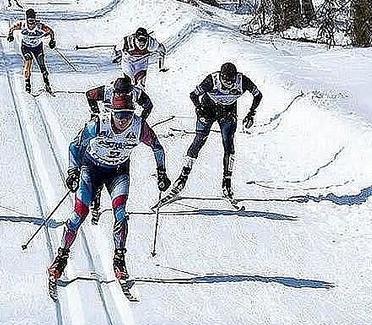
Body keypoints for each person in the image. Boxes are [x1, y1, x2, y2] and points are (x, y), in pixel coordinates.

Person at [47, 95, 169, 287]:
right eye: (119, 115)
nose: (123, 120)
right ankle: (61, 257)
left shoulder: (139, 127)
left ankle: (119, 259)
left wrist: (161, 172)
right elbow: (75, 146)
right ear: (112, 112)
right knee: (79, 213)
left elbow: (157, 147)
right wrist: (72, 171)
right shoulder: (99, 124)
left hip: (118, 172)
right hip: (91, 169)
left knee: (120, 214)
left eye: (128, 115)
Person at [157, 62, 262, 206]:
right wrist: (199, 109)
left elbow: (258, 95)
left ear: (235, 77)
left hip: (228, 112)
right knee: (199, 140)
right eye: (225, 80)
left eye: (231, 80)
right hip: (208, 109)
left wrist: (251, 113)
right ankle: (182, 179)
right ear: (221, 76)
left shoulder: (242, 81)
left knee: (228, 144)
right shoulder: (212, 80)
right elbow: (193, 95)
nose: (228, 84)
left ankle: (227, 183)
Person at [84, 76, 154, 222]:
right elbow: (89, 95)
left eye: (125, 93)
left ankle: (116, 205)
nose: (122, 95)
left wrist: (140, 122)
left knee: (117, 164)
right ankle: (95, 201)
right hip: (105, 127)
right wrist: (95, 113)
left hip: (124, 128)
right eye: (119, 93)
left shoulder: (136, 92)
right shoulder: (107, 90)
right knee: (98, 165)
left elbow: (148, 105)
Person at [7, 8, 57, 94]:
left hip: (37, 47)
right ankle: (27, 84)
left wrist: (52, 41)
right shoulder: (22, 25)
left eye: (33, 21)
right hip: (26, 47)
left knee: (41, 63)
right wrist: (10, 35)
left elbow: (51, 31)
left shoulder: (40, 26)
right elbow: (12, 29)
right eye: (29, 21)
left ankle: (47, 83)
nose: (31, 24)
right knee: (28, 61)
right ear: (26, 19)